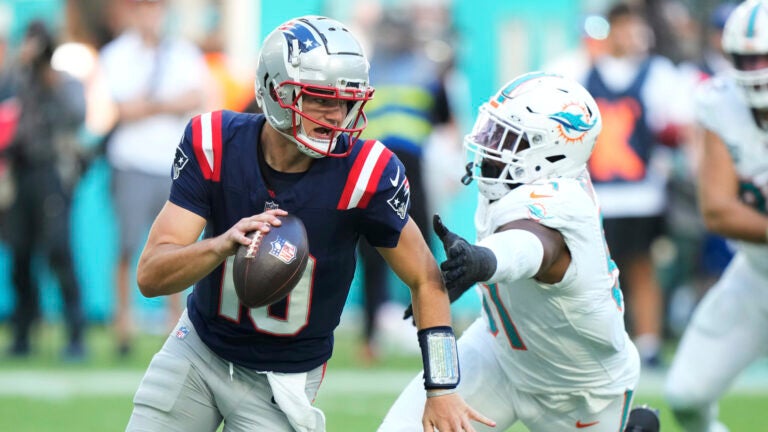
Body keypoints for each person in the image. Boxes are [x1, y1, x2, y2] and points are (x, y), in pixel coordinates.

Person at [126, 15, 493, 432]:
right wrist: (221, 245)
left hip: (284, 381)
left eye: (346, 101)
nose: (336, 115)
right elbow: (151, 276)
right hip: (197, 351)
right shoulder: (215, 142)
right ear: (273, 89)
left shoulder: (366, 172)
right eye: (320, 98)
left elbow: (426, 280)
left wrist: (442, 388)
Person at [380, 72, 641, 432]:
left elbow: (533, 247)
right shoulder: (510, 185)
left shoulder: (561, 201)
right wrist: (468, 273)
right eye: (492, 129)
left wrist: (483, 262)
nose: (488, 143)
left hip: (579, 390)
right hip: (500, 350)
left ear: (551, 150)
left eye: (506, 136)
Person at [561, 2, 692, 367]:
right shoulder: (577, 68)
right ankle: (591, 344)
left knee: (642, 267)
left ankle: (648, 343)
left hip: (641, 193)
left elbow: (678, 123)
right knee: (588, 272)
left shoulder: (659, 72)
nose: (632, 37)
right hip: (593, 193)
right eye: (624, 28)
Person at [664, 1, 768, 431]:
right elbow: (719, 211)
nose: (754, 68)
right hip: (758, 275)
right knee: (686, 396)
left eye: (763, 56)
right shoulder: (720, 103)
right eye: (745, 58)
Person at [99, 0, 207, 356]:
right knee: (127, 246)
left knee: (174, 247)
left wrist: (147, 105)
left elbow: (196, 98)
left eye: (155, 9)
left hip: (171, 162)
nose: (151, 16)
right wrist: (165, 104)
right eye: (144, 9)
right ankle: (123, 326)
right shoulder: (117, 55)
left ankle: (175, 325)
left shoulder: (183, 52)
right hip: (130, 162)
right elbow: (117, 109)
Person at [355, 9, 455, 364]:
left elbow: (444, 120)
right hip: (375, 169)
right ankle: (371, 336)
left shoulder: (415, 71)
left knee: (422, 255)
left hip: (400, 169)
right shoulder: (375, 70)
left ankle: (431, 327)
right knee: (375, 254)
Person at [3, 20, 87, 359]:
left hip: (51, 171)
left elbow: (77, 115)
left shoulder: (63, 81)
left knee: (58, 251)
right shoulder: (14, 78)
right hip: (20, 172)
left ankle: (75, 333)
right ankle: (23, 332)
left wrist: (51, 81)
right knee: (20, 254)